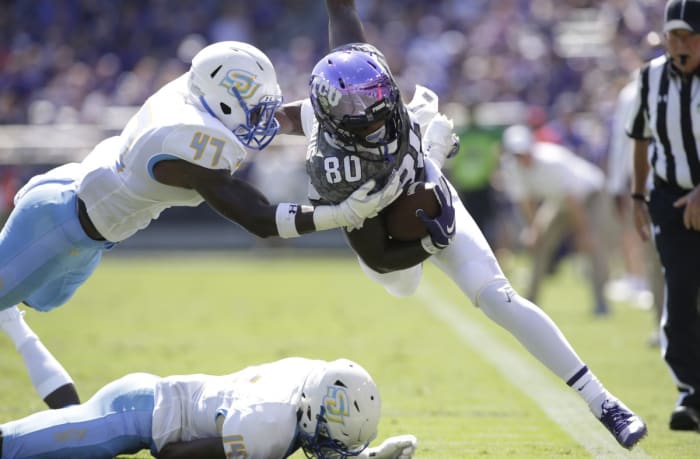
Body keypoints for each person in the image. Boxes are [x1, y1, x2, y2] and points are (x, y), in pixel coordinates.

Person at [275, 0, 648, 450]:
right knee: (406, 286)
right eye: (362, 111)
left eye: (379, 96)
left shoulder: (363, 70)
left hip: (424, 192)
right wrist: (432, 230)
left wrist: (430, 179)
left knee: (499, 298)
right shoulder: (334, 168)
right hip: (385, 240)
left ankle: (603, 402)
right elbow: (377, 253)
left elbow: (342, 13)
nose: (377, 111)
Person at [0, 40, 403, 409]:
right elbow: (259, 219)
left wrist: (358, 117)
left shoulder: (200, 94)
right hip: (57, 225)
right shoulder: (188, 138)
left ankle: (9, 316)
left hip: (88, 230)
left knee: (38, 301)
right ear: (223, 103)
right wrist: (341, 214)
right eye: (256, 109)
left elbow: (276, 117)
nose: (265, 119)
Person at [0, 356, 418, 458]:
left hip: (152, 404)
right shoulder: (266, 422)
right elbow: (172, 455)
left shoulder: (314, 379)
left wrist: (368, 454)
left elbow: (322, 430)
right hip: (132, 416)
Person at [629, 0, 700, 432]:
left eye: (688, 35)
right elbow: (640, 137)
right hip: (670, 199)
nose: (679, 45)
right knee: (679, 291)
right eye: (672, 35)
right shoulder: (651, 77)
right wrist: (638, 196)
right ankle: (690, 391)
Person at [499, 124, 611, 316]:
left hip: (589, 197)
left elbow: (573, 201)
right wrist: (534, 231)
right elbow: (526, 202)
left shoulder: (552, 161)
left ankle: (601, 302)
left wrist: (583, 233)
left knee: (592, 245)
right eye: (517, 154)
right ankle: (530, 302)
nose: (522, 158)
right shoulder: (513, 168)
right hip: (560, 200)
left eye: (524, 152)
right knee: (539, 245)